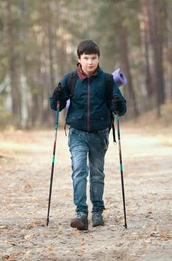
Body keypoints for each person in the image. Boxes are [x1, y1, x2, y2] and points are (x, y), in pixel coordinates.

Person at [50, 39, 127, 230]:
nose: (90, 62)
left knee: (97, 173)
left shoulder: (108, 80)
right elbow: (55, 105)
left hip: (99, 134)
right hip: (77, 133)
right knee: (79, 171)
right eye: (86, 58)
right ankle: (81, 213)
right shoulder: (70, 79)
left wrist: (118, 105)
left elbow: (121, 108)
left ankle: (97, 211)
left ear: (98, 58)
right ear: (79, 59)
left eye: (93, 58)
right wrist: (57, 96)